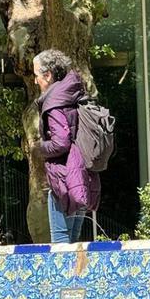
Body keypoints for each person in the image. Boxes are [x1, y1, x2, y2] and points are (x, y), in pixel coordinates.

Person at [33, 49, 100, 243]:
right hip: (82, 176)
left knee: (61, 242)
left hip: (64, 179)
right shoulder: (74, 94)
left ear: (48, 75)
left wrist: (39, 148)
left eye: (36, 75)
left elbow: (61, 142)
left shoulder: (54, 102)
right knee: (74, 241)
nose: (35, 81)